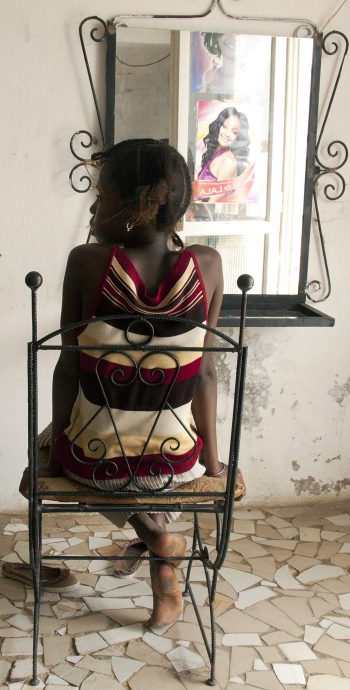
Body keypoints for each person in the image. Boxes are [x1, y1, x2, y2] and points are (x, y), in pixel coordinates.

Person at [43, 138, 244, 633]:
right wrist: (213, 468)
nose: (93, 205)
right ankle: (164, 568)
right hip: (175, 461)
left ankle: (156, 540)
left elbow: (68, 367)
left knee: (82, 441)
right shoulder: (210, 266)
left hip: (96, 463)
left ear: (134, 208)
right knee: (151, 446)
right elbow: (206, 373)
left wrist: (54, 452)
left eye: (102, 195)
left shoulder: (87, 263)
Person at [197, 106, 250, 182]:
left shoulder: (228, 162)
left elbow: (223, 194)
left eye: (234, 132)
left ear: (238, 137)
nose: (227, 134)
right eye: (224, 126)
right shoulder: (216, 152)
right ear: (218, 125)